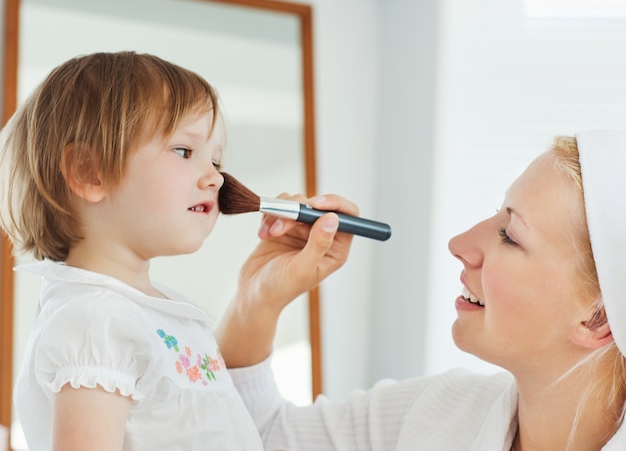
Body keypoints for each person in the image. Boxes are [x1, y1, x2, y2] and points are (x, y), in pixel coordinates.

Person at [0, 51, 354, 451]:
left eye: (216, 159)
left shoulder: (157, 312)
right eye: (185, 152)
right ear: (89, 172)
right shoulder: (96, 320)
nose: (216, 178)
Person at [215, 130, 626, 450]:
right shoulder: (437, 411)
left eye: (510, 236)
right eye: (494, 213)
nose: (459, 244)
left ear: (598, 318)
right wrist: (258, 299)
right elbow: (256, 434)